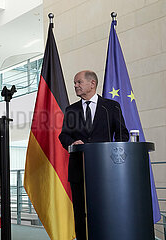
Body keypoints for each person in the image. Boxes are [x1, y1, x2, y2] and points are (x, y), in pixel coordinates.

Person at [59, 70, 129, 239]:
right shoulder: (71, 110)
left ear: (92, 83)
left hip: (106, 170)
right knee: (80, 212)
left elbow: (122, 134)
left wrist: (112, 151)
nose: (75, 86)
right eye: (75, 83)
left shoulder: (110, 107)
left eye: (79, 82)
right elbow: (64, 135)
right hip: (79, 169)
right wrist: (71, 142)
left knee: (105, 209)